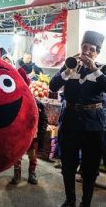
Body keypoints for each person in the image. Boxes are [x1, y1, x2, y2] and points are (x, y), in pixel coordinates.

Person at [49, 30, 106, 207]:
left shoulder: (102, 69)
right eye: (84, 47)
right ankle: (70, 200)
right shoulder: (70, 65)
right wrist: (67, 71)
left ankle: (85, 203)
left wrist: (94, 69)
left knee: (90, 167)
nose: (87, 51)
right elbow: (53, 86)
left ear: (97, 52)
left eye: (91, 49)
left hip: (93, 123)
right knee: (68, 163)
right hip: (70, 121)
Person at [10, 98, 48, 185]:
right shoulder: (18, 100)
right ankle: (17, 174)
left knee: (33, 155)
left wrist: (41, 134)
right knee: (17, 154)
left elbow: (44, 119)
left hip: (33, 135)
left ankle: (32, 173)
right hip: (20, 135)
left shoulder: (38, 103)